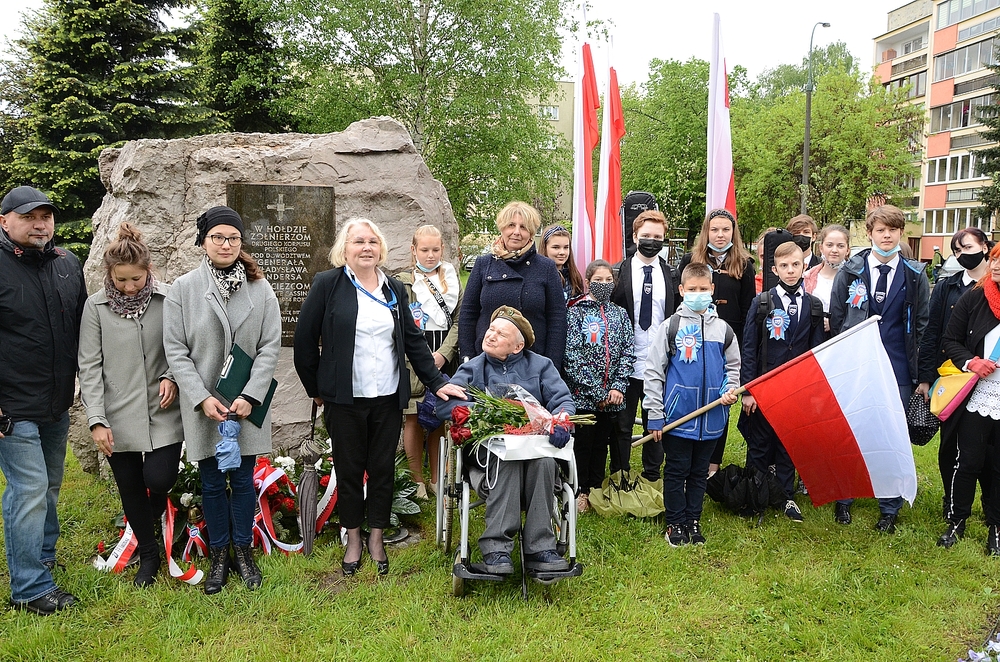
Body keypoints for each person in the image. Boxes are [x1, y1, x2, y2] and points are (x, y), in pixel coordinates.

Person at [294, 218, 466, 578]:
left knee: (383, 469)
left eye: (372, 241)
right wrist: (317, 390)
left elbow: (413, 341)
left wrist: (437, 382)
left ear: (381, 249)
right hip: (345, 399)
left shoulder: (393, 288)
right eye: (359, 241)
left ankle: (376, 536)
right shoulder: (328, 284)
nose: (366, 247)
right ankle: (353, 538)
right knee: (350, 470)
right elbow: (305, 343)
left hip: (387, 397)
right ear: (345, 248)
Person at [163, 205, 281, 594]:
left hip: (245, 403)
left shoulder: (261, 289)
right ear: (203, 241)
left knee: (243, 480)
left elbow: (269, 346)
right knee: (212, 482)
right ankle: (218, 556)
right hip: (206, 405)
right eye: (218, 237)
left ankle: (243, 552)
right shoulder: (183, 289)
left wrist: (251, 394)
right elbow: (176, 350)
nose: (226, 244)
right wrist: (200, 397)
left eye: (233, 237)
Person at [78, 223, 182, 587]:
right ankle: (149, 555)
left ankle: (158, 513)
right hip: (116, 415)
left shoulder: (169, 300)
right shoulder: (95, 307)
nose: (129, 287)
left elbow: (183, 345)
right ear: (109, 273)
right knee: (130, 486)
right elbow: (89, 366)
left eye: (136, 279)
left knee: (159, 477)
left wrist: (171, 375)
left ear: (148, 270)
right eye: (120, 280)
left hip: (163, 410)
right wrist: (96, 419)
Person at [0, 186, 86, 615]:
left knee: (49, 484)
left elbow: (86, 327)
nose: (40, 225)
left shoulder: (67, 263)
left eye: (46, 216)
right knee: (30, 488)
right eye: (28, 217)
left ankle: (41, 557)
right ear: (4, 221)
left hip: (56, 401)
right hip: (12, 407)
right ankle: (30, 589)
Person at [437, 307, 575, 574]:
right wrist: (484, 412)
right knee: (507, 460)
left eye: (501, 334)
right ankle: (496, 550)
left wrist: (561, 421)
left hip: (534, 448)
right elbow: (445, 405)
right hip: (490, 455)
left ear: (517, 346)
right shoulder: (472, 368)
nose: (491, 335)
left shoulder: (541, 366)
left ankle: (541, 548)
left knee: (546, 462)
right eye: (491, 329)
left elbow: (563, 401)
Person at [829, 204, 929, 533]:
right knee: (852, 430)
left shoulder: (915, 274)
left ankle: (889, 505)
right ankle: (844, 497)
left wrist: (921, 375)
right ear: (869, 233)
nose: (886, 236)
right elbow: (838, 318)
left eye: (893, 230)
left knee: (890, 433)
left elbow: (923, 325)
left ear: (901, 233)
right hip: (857, 363)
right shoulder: (851, 270)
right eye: (880, 230)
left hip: (898, 366)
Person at [644, 262, 740, 546]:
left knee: (700, 472)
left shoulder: (724, 331)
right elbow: (654, 372)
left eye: (703, 289)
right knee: (676, 470)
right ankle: (675, 522)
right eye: (692, 289)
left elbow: (733, 368)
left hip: (711, 418)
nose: (698, 294)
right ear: (682, 290)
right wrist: (655, 413)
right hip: (678, 417)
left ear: (712, 290)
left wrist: (730, 390)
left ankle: (692, 519)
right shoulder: (670, 327)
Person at [740, 242, 826, 522]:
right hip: (765, 388)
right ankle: (755, 495)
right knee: (760, 443)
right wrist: (749, 389)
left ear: (804, 267)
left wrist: (812, 392)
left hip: (796, 389)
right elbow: (749, 348)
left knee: (789, 444)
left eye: (796, 265)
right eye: (784, 266)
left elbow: (814, 353)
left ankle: (786, 495)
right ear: (774, 270)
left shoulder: (813, 305)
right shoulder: (762, 303)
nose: (790, 271)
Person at [919, 228, 992, 547]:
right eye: (957, 251)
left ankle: (991, 510)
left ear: (986, 248)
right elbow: (934, 332)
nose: (964, 255)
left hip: (991, 381)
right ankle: (953, 507)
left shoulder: (992, 287)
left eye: (969, 247)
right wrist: (925, 377)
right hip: (954, 378)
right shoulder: (949, 287)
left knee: (990, 451)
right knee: (953, 447)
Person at [677, 208, 754, 476]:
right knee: (691, 398)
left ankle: (712, 465)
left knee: (720, 400)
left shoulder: (744, 264)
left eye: (725, 229)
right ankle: (686, 460)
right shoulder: (690, 260)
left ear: (733, 233)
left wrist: (739, 348)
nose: (720, 235)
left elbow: (748, 311)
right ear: (706, 232)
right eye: (715, 229)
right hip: (691, 342)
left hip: (725, 344)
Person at [941, 243, 1000, 555]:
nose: (997, 266)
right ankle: (956, 521)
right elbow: (950, 339)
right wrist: (971, 362)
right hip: (978, 393)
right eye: (994, 259)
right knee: (968, 461)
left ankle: (996, 528)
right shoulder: (975, 297)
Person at [396, 225, 463, 498]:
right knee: (413, 416)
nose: (430, 255)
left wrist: (444, 353)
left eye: (435, 249)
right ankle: (417, 481)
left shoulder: (452, 279)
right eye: (424, 250)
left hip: (445, 355)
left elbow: (459, 320)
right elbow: (402, 324)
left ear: (442, 249)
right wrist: (423, 357)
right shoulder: (404, 282)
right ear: (414, 250)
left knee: (440, 416)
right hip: (415, 358)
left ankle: (437, 478)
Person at [459, 201, 567, 370]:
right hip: (486, 362)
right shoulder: (483, 264)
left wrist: (551, 366)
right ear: (502, 228)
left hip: (532, 365)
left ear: (531, 233)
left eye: (523, 227)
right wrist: (468, 359)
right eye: (511, 225)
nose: (516, 232)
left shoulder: (546, 267)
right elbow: (468, 314)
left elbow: (557, 319)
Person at [610, 210, 676, 483]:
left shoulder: (671, 274)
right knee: (622, 425)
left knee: (656, 423)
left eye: (657, 237)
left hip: (659, 362)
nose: (651, 241)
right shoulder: (618, 272)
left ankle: (652, 475)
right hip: (627, 362)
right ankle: (620, 473)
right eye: (646, 235)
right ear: (635, 236)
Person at [564, 259, 635, 512]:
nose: (603, 284)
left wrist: (617, 387)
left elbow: (628, 351)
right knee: (583, 443)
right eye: (598, 280)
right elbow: (572, 356)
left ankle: (596, 487)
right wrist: (597, 391)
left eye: (608, 280)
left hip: (612, 397)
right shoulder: (576, 312)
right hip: (584, 396)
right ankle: (580, 490)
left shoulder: (620, 314)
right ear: (588, 281)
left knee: (602, 443)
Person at [803, 223, 850, 335]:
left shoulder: (854, 279)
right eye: (829, 245)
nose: (834, 250)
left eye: (840, 246)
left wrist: (834, 323)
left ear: (847, 250)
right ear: (821, 248)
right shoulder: (807, 277)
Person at [539, 224, 585, 301]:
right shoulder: (537, 276)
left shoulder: (574, 276)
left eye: (566, 247)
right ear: (545, 248)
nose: (562, 252)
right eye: (556, 247)